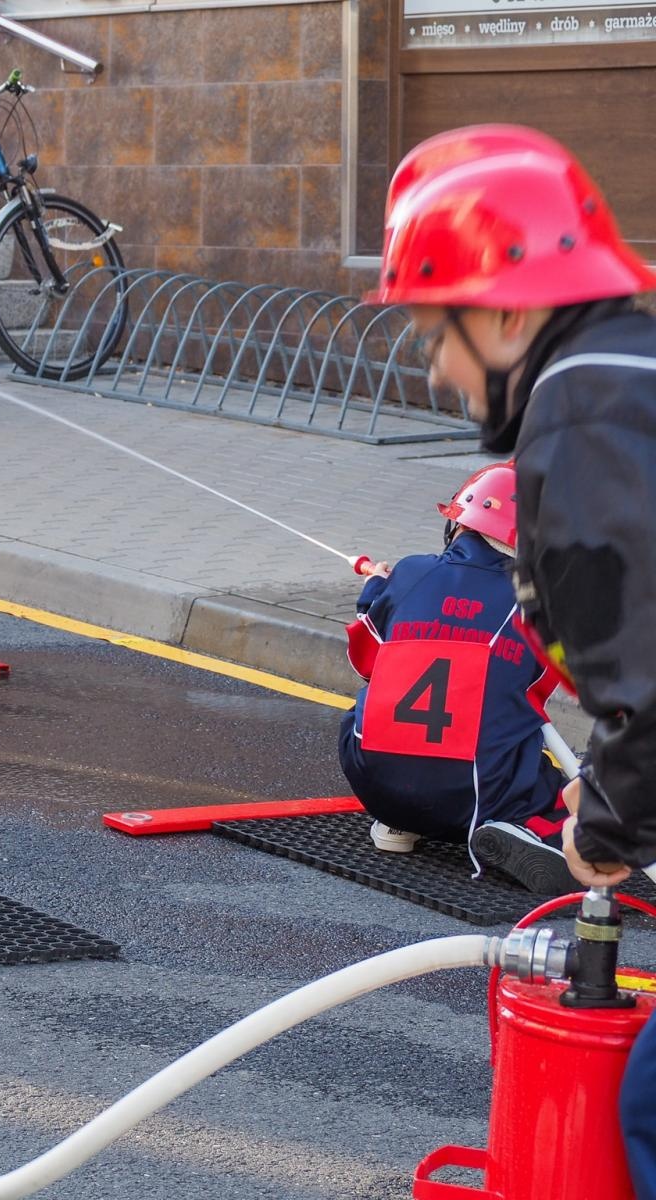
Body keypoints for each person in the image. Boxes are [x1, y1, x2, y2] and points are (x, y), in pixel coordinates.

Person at [369, 123, 656, 1197]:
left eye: (433, 333)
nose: (438, 368)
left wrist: (607, 826)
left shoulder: (582, 409)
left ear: (500, 308)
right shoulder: (630, 372)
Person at [339, 461, 572, 893]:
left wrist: (375, 589)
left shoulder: (409, 572)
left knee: (366, 708)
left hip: (371, 779)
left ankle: (396, 820)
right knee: (561, 789)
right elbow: (537, 689)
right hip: (471, 793)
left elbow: (368, 660)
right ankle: (526, 827)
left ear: (459, 523)